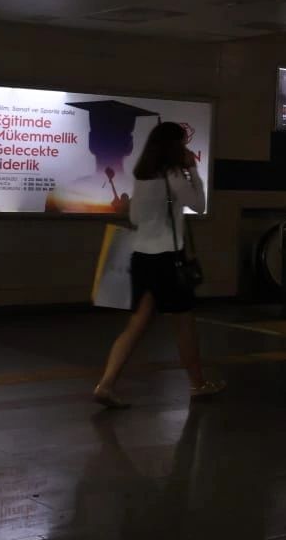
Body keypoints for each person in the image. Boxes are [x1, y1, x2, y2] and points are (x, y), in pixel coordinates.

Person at [93, 121, 224, 408]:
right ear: (174, 146)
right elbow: (198, 204)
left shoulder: (142, 176)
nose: (187, 148)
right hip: (168, 259)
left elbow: (136, 219)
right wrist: (192, 170)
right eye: (183, 144)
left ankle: (106, 383)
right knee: (184, 323)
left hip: (141, 257)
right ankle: (198, 384)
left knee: (136, 324)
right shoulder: (173, 174)